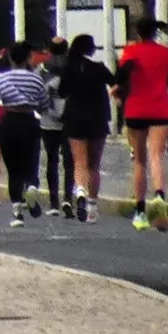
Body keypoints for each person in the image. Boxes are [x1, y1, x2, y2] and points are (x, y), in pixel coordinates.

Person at [115, 19, 168, 227]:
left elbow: (122, 75)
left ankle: (140, 212)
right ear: (155, 33)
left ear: (137, 32)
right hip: (161, 109)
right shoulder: (166, 53)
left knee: (139, 161)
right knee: (156, 157)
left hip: (136, 109)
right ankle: (160, 196)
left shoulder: (131, 52)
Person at [0, 43, 56, 225]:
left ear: (9, 58)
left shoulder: (1, 78)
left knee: (13, 168)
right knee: (30, 161)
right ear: (27, 59)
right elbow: (44, 104)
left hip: (8, 122)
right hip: (30, 121)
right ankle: (32, 186)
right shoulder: (36, 79)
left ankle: (17, 212)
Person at [56, 33, 113, 221]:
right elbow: (115, 82)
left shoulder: (69, 68)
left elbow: (62, 91)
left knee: (79, 161)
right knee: (94, 164)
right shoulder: (98, 68)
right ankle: (92, 205)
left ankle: (79, 191)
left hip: (74, 117)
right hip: (97, 118)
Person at [35, 40, 70, 210]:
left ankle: (54, 201)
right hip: (70, 120)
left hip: (48, 120)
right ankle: (68, 198)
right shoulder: (73, 67)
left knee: (52, 160)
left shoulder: (43, 69)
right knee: (69, 162)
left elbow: (36, 91)